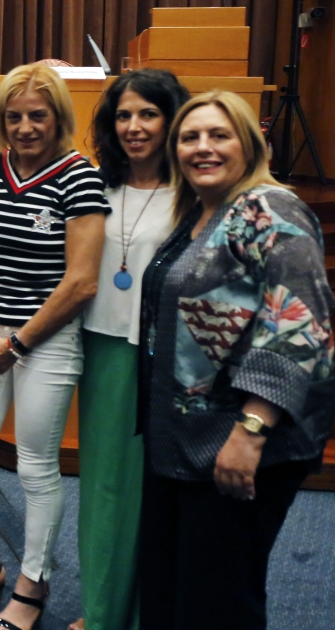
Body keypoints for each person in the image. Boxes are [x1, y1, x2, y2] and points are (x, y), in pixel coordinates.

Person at [138, 90, 334, 630]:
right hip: (186, 438)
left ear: (249, 144)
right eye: (189, 137)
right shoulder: (199, 212)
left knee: (217, 602)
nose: (202, 147)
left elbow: (299, 324)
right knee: (172, 588)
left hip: (244, 441)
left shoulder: (271, 209)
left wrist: (251, 431)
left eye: (218, 135)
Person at [0, 64, 107, 630]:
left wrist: (17, 343)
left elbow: (81, 282)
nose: (25, 127)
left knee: (35, 468)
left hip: (46, 342)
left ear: (58, 117)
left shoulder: (80, 177)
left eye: (37, 115)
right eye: (14, 117)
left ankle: (33, 584)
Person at [70, 69, 189, 630]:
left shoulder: (194, 191)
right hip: (104, 348)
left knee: (156, 493)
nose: (134, 126)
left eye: (148, 114)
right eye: (123, 115)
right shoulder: (96, 185)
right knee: (104, 488)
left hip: (167, 360)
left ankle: (147, 614)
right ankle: (102, 614)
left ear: (172, 119)